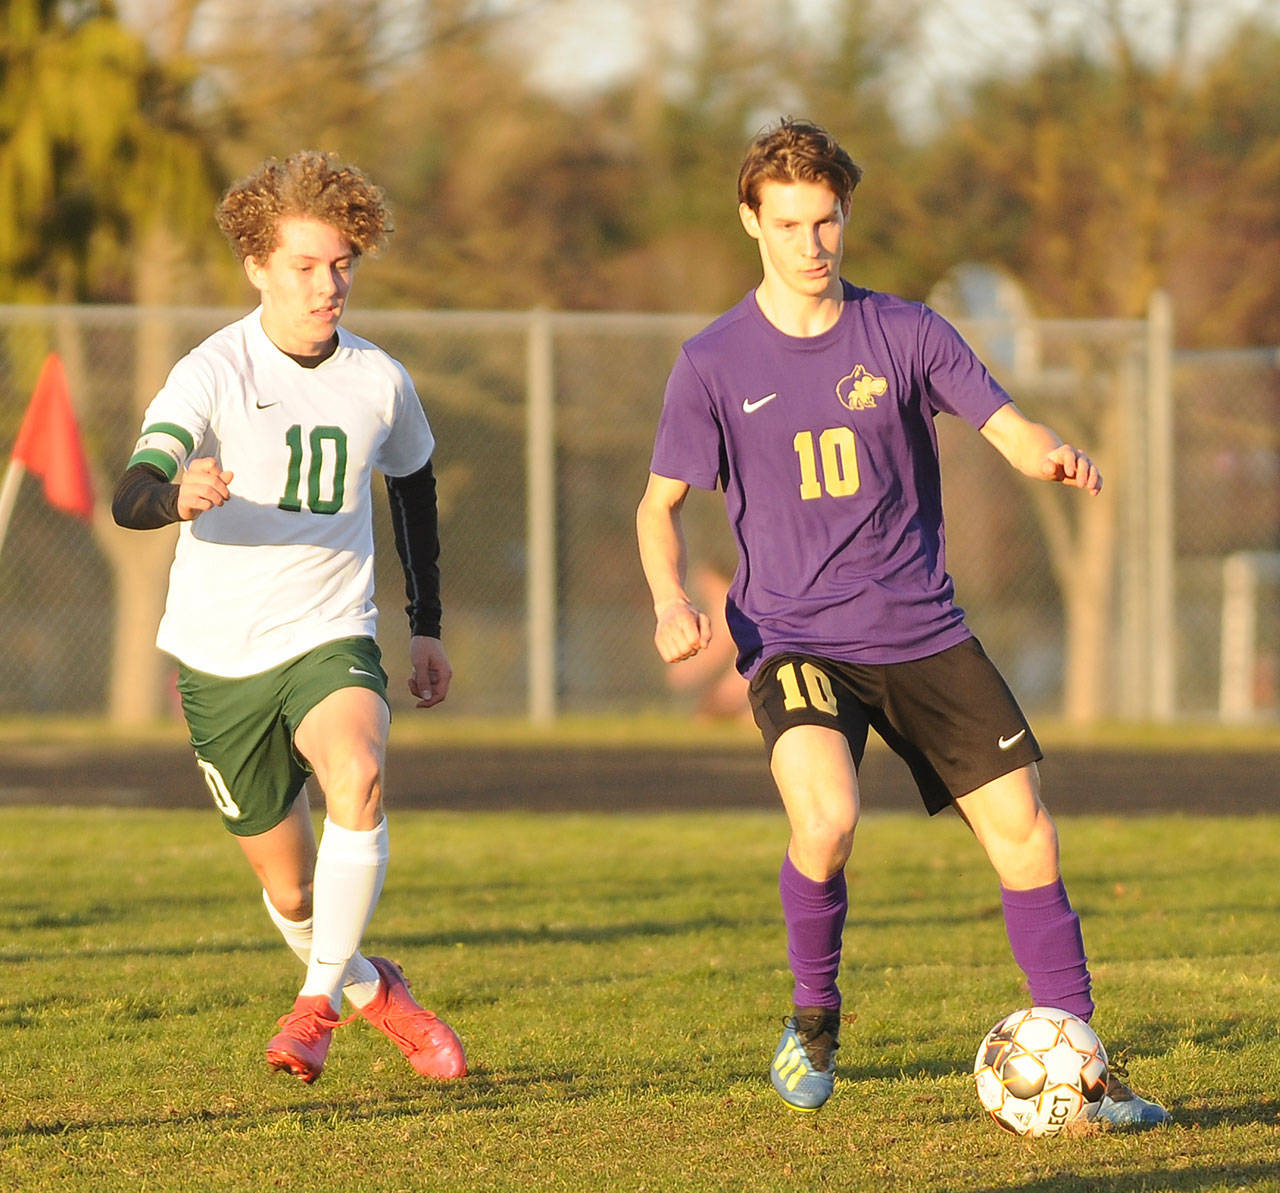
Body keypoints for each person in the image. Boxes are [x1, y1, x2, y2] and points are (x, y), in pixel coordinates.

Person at [635, 118, 1169, 1127]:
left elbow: (1004, 422)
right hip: (793, 638)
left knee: (1026, 838)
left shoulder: (908, 333)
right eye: (787, 223)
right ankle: (813, 1020)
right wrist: (670, 597)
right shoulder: (710, 361)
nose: (810, 243)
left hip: (921, 628)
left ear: (846, 216)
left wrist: (1044, 450)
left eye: (825, 220)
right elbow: (656, 504)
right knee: (826, 818)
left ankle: (1084, 1071)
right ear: (751, 220)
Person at [112, 151, 466, 1086]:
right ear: (258, 266)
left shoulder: (380, 379)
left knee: (358, 771)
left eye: (342, 263)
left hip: (329, 635)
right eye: (306, 266)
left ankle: (314, 1008)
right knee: (295, 889)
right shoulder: (212, 370)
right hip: (218, 657)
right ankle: (366, 985)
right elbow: (131, 488)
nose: (328, 284)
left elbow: (414, 486)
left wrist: (425, 621)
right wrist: (174, 492)